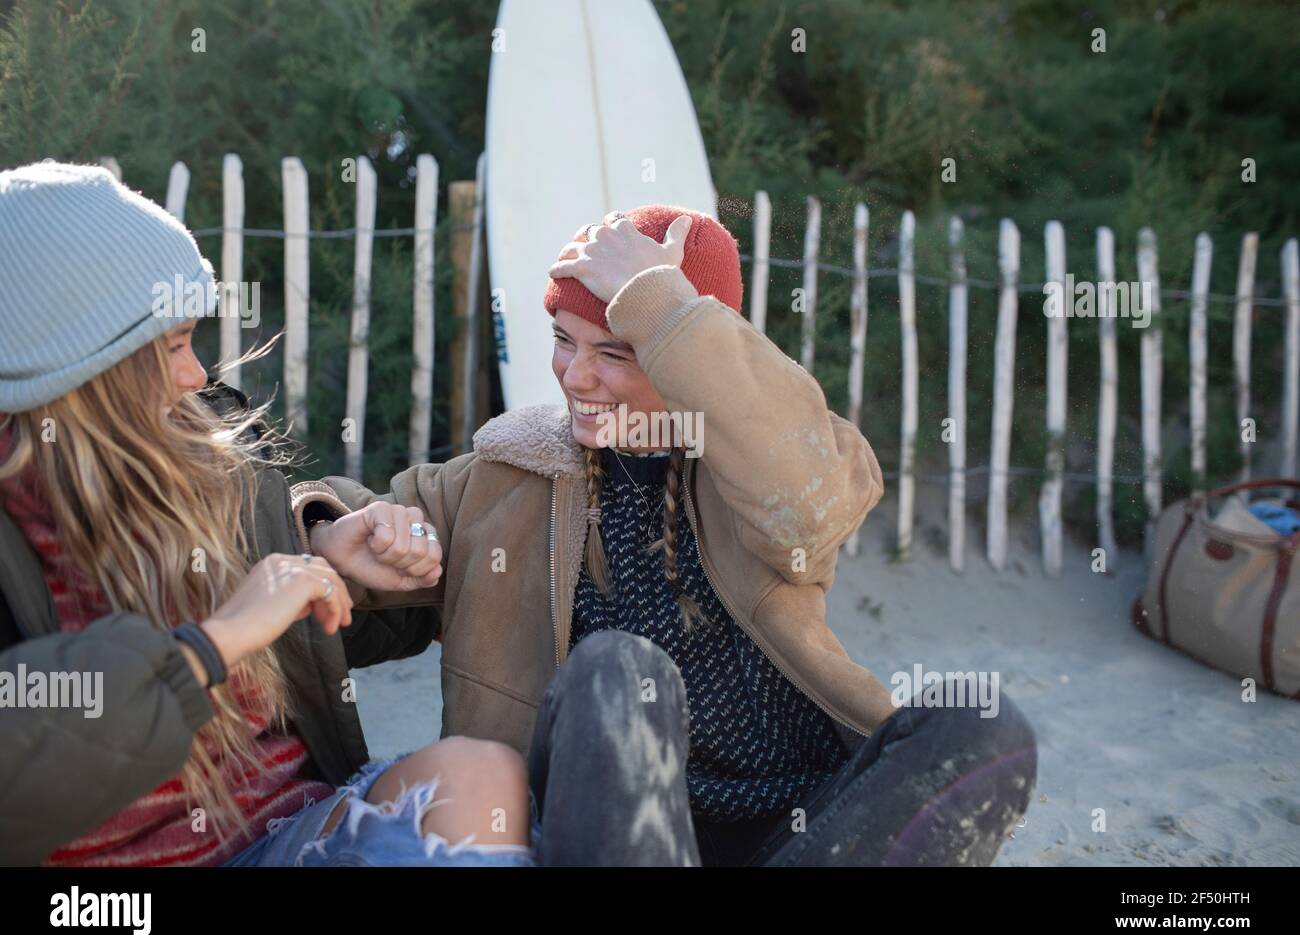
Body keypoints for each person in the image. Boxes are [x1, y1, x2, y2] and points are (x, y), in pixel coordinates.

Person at [299, 204, 1040, 865]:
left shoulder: (757, 462)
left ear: (679, 348)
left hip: (803, 830)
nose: (576, 376)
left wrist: (658, 303)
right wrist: (335, 535)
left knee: (982, 724)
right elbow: (337, 577)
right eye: (564, 341)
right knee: (619, 668)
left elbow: (808, 504)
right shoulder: (500, 479)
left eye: (616, 352)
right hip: (605, 833)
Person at [0, 161, 533, 867]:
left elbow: (345, 627)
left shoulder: (197, 443)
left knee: (482, 777)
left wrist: (330, 549)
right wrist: (212, 644)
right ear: (83, 371)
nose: (198, 375)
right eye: (173, 346)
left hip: (289, 837)